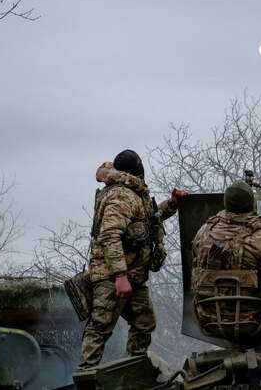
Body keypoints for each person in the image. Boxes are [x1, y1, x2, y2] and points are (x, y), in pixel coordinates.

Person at [79, 149, 187, 369]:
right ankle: (86, 376)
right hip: (113, 277)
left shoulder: (133, 193)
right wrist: (120, 276)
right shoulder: (122, 195)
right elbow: (110, 235)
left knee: (144, 322)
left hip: (133, 276)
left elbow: (148, 219)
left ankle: (132, 372)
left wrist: (172, 203)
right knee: (100, 326)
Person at [191, 181, 261, 341]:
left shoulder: (203, 233)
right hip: (252, 321)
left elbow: (195, 265)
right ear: (252, 204)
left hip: (208, 319)